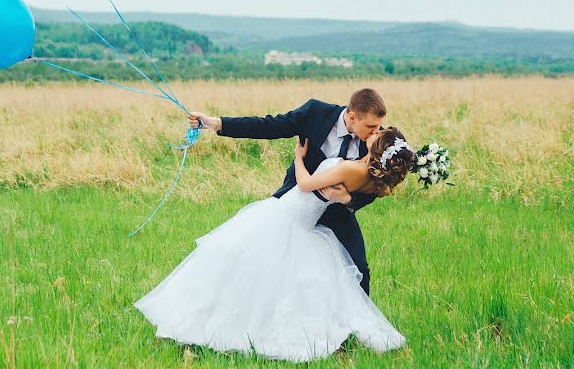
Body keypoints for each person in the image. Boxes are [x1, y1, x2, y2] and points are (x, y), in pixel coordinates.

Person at [135, 127, 415, 361]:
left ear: (376, 147)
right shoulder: (369, 179)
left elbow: (304, 184)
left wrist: (298, 159)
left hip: (286, 216)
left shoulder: (349, 168)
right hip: (306, 225)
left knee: (235, 264)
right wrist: (342, 198)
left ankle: (213, 325)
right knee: (291, 282)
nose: (375, 130)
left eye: (379, 132)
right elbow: (343, 196)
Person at [187, 88, 387, 294]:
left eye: (378, 126)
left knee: (359, 269)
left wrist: (347, 200)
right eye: (370, 126)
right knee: (266, 262)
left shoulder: (376, 141)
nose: (376, 131)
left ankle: (356, 323)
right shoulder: (315, 113)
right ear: (352, 116)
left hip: (339, 212)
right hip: (298, 205)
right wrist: (217, 123)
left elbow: (378, 184)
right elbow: (268, 126)